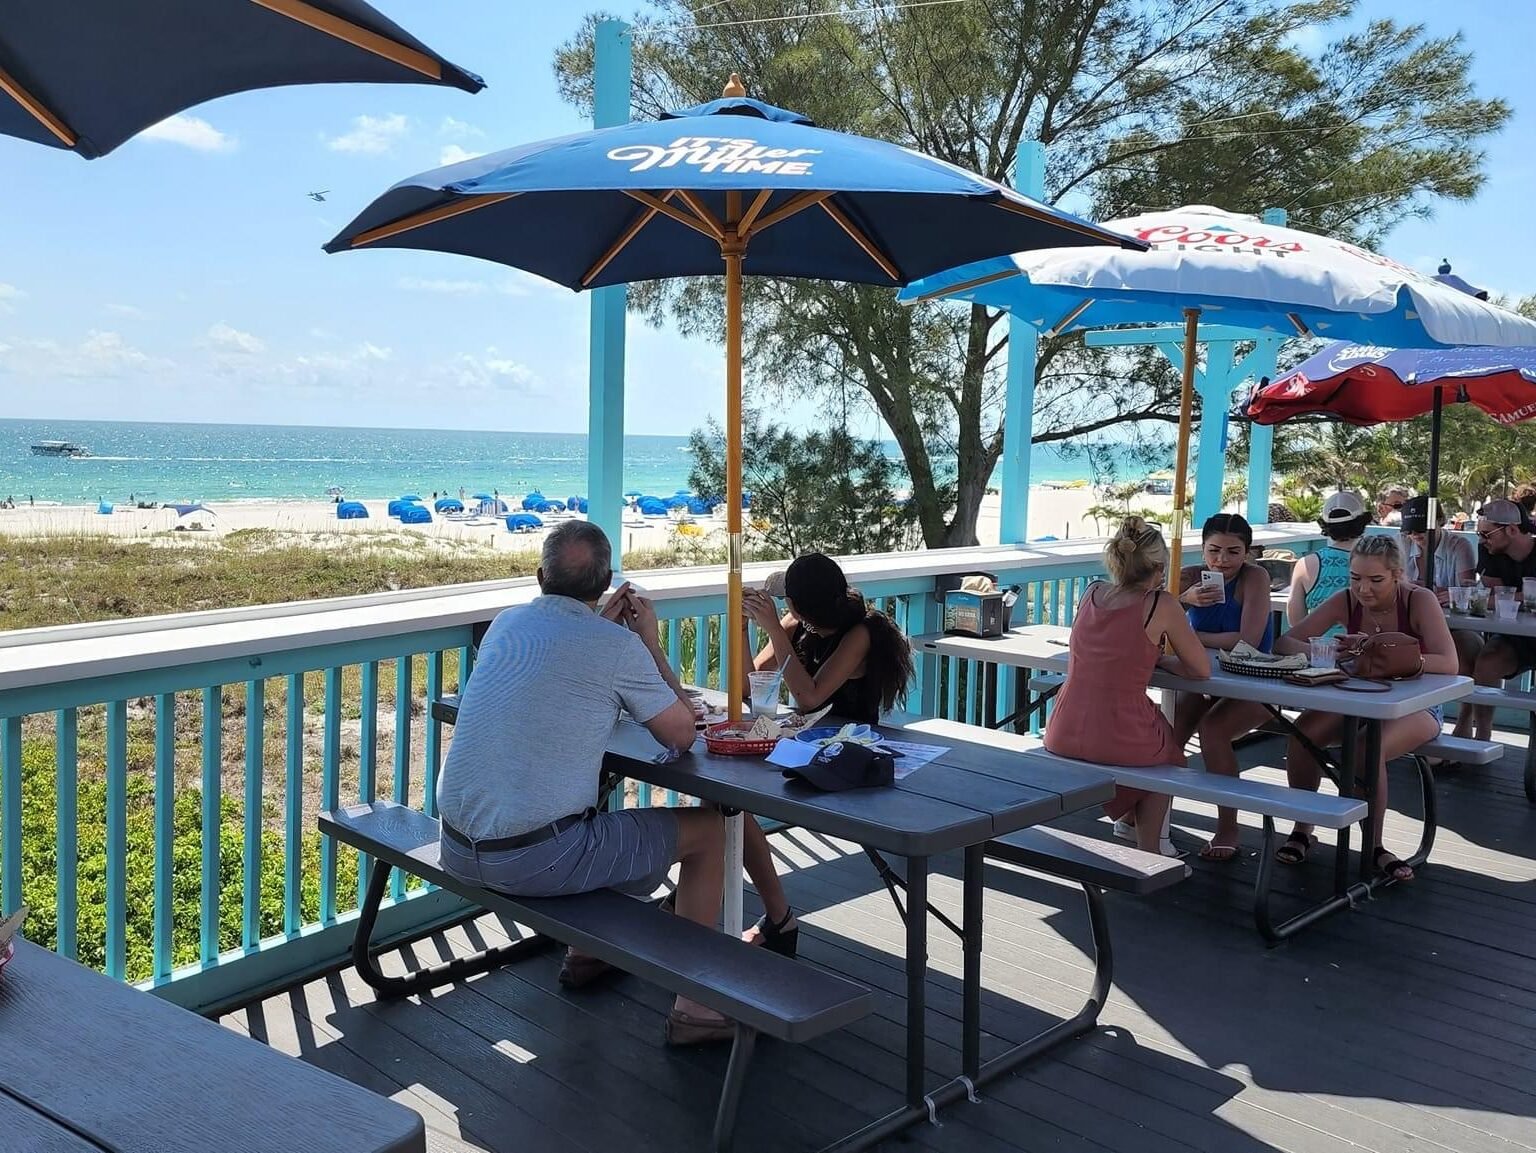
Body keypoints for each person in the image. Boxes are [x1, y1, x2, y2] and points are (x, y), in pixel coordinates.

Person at [434, 520, 732, 1046]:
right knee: (710, 831)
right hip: (531, 860)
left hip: (455, 846)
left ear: (540, 576)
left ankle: (587, 953)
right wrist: (645, 644)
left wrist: (609, 634)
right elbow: (683, 733)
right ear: (607, 581)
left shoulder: (506, 624)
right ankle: (696, 1007)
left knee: (585, 807)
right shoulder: (614, 647)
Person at [740, 552, 914, 952]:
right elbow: (750, 685)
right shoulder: (797, 626)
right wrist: (744, 628)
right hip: (805, 747)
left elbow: (809, 697)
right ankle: (777, 916)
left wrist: (774, 629)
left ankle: (774, 917)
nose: (786, 609)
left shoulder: (861, 633)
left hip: (849, 758)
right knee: (723, 802)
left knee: (728, 805)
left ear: (803, 605)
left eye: (789, 603)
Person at [1271, 534, 1458, 881]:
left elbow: (1449, 662)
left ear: (1397, 575)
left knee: (1364, 750)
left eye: (1375, 580)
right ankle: (1303, 829)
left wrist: (1380, 650)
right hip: (1356, 698)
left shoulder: (1419, 600)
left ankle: (1374, 847)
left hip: (1417, 706)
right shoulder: (1346, 600)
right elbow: (1285, 640)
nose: (1364, 589)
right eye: (1356, 578)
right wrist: (1323, 652)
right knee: (1301, 738)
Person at [1042, 518, 1211, 855]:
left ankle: (1128, 823)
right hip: (1119, 732)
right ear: (1159, 568)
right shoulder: (1160, 604)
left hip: (1062, 728)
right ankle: (1151, 851)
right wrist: (1160, 659)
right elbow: (1200, 670)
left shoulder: (1091, 593)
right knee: (1170, 760)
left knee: (1151, 749)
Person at [1173, 513, 1275, 860]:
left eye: (1234, 552)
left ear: (1247, 552)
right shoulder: (1187, 577)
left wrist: (1190, 635)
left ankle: (1227, 827)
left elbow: (1249, 641)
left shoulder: (1255, 578)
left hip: (1254, 681)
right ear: (1202, 549)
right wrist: (1185, 599)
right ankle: (1144, 811)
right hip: (1204, 676)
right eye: (1214, 551)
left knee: (1213, 729)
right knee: (1170, 731)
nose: (1222, 560)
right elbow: (1151, 614)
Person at [1452, 499, 1536, 742]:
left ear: (1511, 529)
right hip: (1515, 638)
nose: (1481, 539)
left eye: (1487, 533)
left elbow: (1497, 597)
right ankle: (1483, 736)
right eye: (1479, 533)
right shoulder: (1489, 551)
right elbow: (1492, 596)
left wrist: (1506, 597)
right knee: (1487, 663)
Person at [1288, 492, 1370, 628]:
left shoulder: (1306, 564)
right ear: (1362, 521)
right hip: (1364, 646)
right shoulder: (1379, 560)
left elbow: (1295, 622)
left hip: (1317, 647)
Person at [1399, 494, 1475, 596]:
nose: (1414, 534)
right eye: (1408, 530)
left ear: (1440, 520)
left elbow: (1468, 593)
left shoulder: (1458, 546)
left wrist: (1425, 589)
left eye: (1420, 528)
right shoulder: (1401, 543)